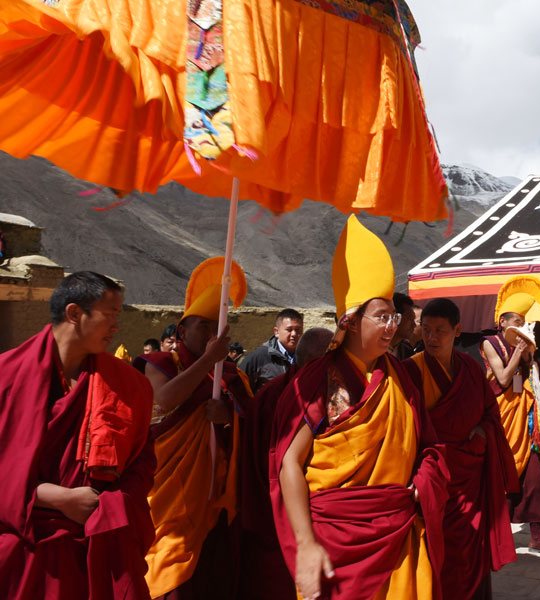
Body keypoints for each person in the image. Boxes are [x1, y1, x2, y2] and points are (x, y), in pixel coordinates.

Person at [270, 215, 448, 600]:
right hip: (334, 538)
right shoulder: (316, 380)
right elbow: (288, 463)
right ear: (351, 321)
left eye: (394, 317)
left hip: (397, 532)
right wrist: (306, 544)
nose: (392, 327)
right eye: (382, 316)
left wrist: (423, 485)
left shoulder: (402, 378)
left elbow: (429, 447)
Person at [0, 271, 156, 599]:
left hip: (98, 545)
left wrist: (111, 506)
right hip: (23, 545)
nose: (116, 326)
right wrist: (57, 498)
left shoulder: (129, 386)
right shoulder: (7, 376)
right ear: (74, 314)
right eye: (110, 314)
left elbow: (142, 460)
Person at [133, 258, 252, 599]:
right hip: (165, 493)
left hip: (212, 497)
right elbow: (165, 399)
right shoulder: (158, 364)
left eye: (218, 328)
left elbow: (252, 424)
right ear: (182, 331)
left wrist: (229, 416)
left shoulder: (231, 376)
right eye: (203, 326)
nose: (211, 335)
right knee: (164, 566)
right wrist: (207, 362)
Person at [403, 298, 519, 599]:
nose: (431, 337)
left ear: (458, 330)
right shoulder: (410, 372)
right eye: (425, 329)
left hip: (470, 479)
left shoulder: (469, 367)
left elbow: (490, 413)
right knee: (439, 558)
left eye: (440, 330)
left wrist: (482, 431)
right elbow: (405, 432)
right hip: (436, 484)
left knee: (472, 549)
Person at [236, 326, 334, 600]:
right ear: (317, 361)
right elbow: (277, 462)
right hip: (278, 515)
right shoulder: (279, 396)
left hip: (281, 513)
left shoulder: (283, 392)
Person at [480, 275, 540, 555]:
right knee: (500, 478)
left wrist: (528, 357)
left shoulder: (524, 348)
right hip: (500, 420)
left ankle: (536, 536)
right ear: (502, 321)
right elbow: (503, 379)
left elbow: (521, 382)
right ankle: (495, 535)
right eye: (515, 321)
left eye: (522, 322)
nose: (519, 327)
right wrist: (518, 351)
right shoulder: (490, 342)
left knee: (534, 477)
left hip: (523, 421)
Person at [242, 309, 304, 393]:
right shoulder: (259, 357)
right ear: (276, 332)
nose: (294, 334)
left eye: (297, 330)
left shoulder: (307, 358)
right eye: (289, 330)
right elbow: (240, 390)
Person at [390, 292, 418, 359]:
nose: (414, 325)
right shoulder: (374, 350)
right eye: (410, 318)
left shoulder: (407, 351)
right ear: (395, 318)